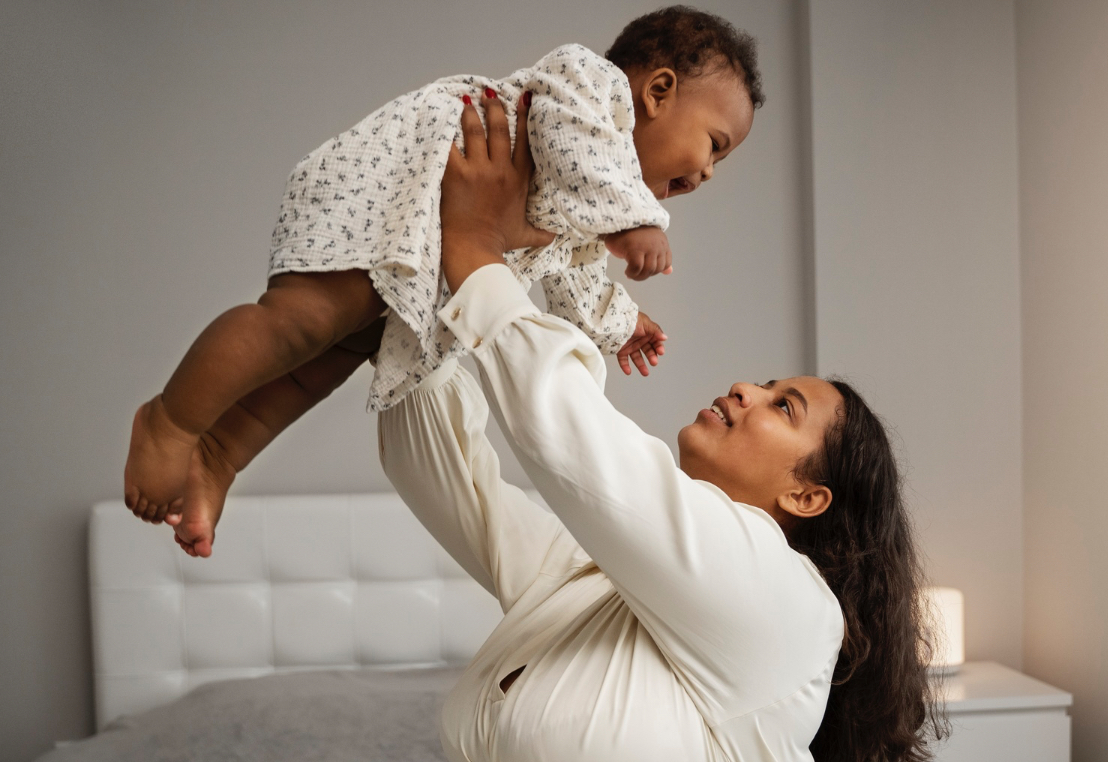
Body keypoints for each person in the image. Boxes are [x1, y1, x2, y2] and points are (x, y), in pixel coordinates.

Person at [175, 85, 941, 762]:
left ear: (809, 497)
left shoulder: (784, 603)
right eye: (766, 380)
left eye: (785, 407)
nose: (744, 387)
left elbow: (573, 438)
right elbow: (440, 469)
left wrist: (477, 254)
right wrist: (420, 282)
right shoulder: (592, 582)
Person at [122, 6, 765, 560]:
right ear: (656, 90)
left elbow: (577, 279)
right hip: (382, 201)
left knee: (322, 364)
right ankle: (169, 422)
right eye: (715, 144)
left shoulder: (587, 213)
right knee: (301, 322)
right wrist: (635, 223)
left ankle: (218, 456)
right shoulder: (587, 87)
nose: (709, 173)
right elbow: (578, 149)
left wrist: (623, 323)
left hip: (412, 259)